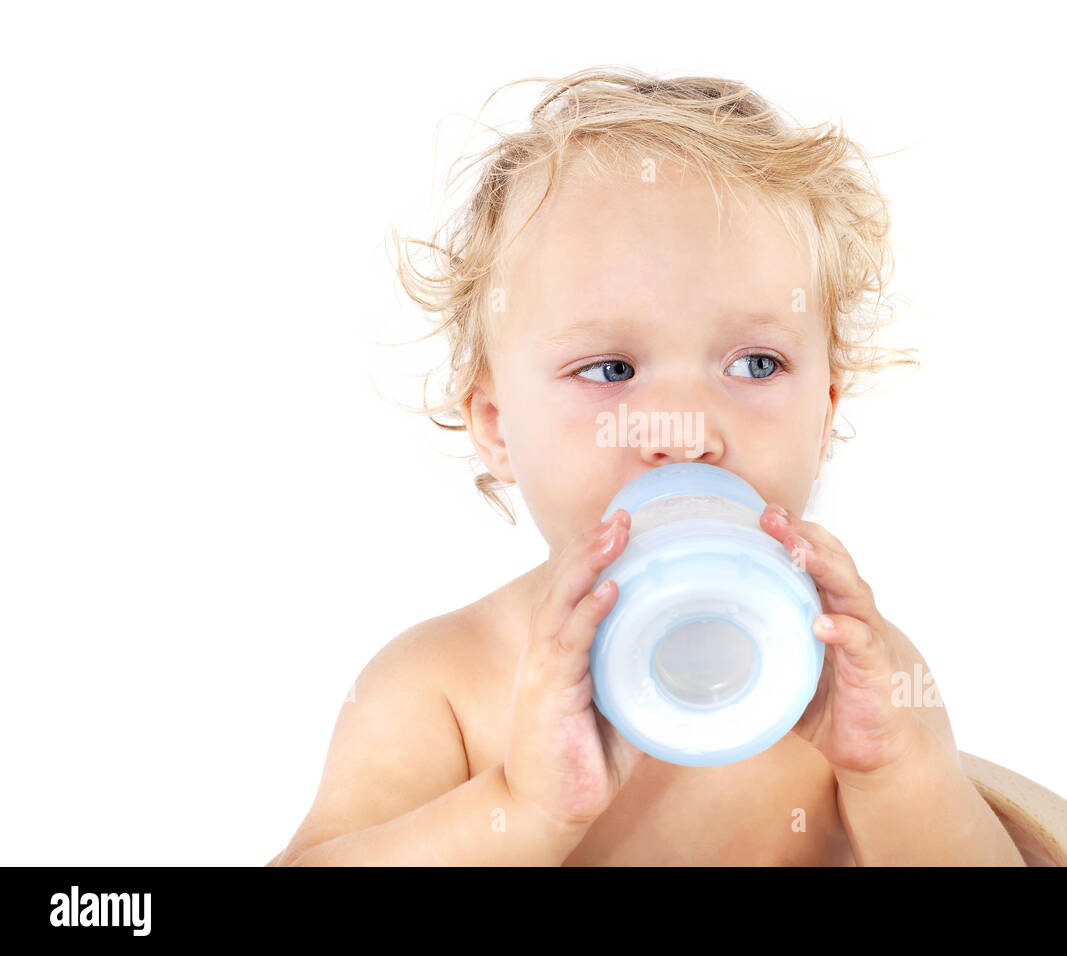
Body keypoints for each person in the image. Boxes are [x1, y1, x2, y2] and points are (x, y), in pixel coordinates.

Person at [268, 66, 1025, 866]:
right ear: (494, 425)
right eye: (610, 371)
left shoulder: (858, 676)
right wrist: (521, 810)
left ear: (827, 412)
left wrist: (895, 773)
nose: (687, 431)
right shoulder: (442, 692)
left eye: (757, 365)